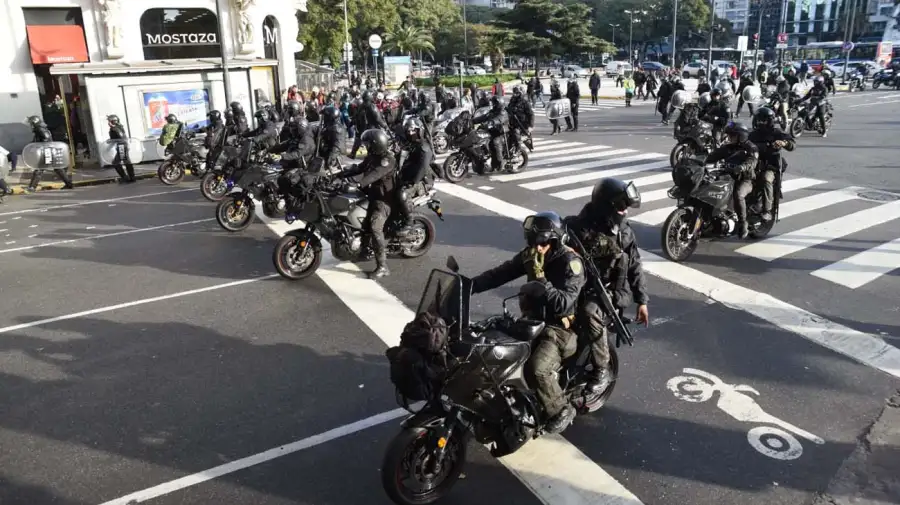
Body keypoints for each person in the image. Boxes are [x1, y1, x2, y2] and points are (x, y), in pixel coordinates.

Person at [470, 211, 586, 434]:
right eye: (532, 242)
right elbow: (499, 274)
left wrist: (541, 279)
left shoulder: (570, 263)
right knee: (488, 349)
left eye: (542, 243)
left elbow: (564, 303)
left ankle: (561, 409)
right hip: (530, 321)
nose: (536, 248)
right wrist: (468, 286)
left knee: (537, 369)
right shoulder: (531, 256)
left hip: (558, 329)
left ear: (554, 240)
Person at [564, 178, 649, 393]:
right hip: (579, 286)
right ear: (605, 205)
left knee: (590, 311)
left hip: (611, 291)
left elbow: (635, 265)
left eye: (626, 207)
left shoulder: (624, 233)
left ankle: (601, 368)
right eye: (621, 206)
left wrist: (642, 301)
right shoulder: (576, 226)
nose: (625, 212)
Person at [335, 129, 396, 278]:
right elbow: (360, 168)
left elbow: (373, 175)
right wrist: (341, 174)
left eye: (368, 144)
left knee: (375, 227)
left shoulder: (387, 160)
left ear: (377, 144)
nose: (366, 146)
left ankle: (382, 266)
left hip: (384, 200)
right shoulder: (373, 156)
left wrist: (357, 183)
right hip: (371, 195)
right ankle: (363, 248)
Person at [705, 121, 759, 238]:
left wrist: (742, 167)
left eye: (732, 135)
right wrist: (699, 159)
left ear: (741, 136)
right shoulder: (728, 148)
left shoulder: (751, 147)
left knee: (738, 194)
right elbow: (713, 156)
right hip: (728, 177)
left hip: (745, 179)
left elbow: (752, 161)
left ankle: (743, 223)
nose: (729, 138)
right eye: (729, 135)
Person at [750, 107, 794, 222]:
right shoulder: (752, 134)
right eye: (759, 120)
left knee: (766, 179)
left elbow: (792, 144)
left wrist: (784, 143)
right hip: (753, 164)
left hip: (770, 165)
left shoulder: (777, 133)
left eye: (763, 120)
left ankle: (766, 211)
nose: (760, 122)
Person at [394, 116, 433, 236]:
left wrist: (412, 182)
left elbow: (422, 168)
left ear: (419, 130)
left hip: (421, 181)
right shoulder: (411, 144)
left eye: (413, 130)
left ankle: (409, 221)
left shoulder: (424, 148)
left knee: (403, 193)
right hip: (408, 176)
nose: (411, 133)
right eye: (408, 131)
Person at [24, 115, 74, 191]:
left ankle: (32, 187)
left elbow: (46, 139)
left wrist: (39, 146)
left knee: (39, 169)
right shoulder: (41, 128)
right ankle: (69, 184)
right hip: (49, 151)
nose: (30, 125)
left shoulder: (40, 129)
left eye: (31, 123)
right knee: (58, 168)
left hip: (46, 152)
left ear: (34, 122)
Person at [472, 95, 508, 173]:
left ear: (499, 103)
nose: (493, 104)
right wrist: (473, 120)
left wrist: (491, 122)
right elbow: (484, 117)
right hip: (491, 131)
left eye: (494, 103)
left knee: (495, 143)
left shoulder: (503, 112)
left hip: (500, 132)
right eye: (493, 102)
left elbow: (499, 119)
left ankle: (500, 163)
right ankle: (489, 163)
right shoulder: (493, 111)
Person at [349, 90, 388, 159]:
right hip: (371, 128)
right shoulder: (372, 107)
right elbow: (378, 119)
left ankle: (353, 154)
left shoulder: (361, 106)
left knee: (358, 140)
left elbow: (355, 116)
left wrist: (351, 124)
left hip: (362, 127)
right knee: (373, 141)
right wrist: (385, 126)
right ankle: (371, 155)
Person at [105, 114, 136, 184]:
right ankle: (130, 177)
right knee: (125, 161)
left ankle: (127, 177)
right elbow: (115, 138)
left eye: (109, 121)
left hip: (122, 146)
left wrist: (113, 128)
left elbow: (120, 136)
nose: (108, 123)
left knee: (118, 162)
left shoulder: (117, 128)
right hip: (121, 146)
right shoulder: (118, 127)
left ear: (113, 121)